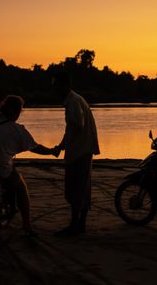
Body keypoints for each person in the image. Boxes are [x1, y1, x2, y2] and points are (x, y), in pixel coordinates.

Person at [0, 95, 58, 236]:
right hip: (0, 167)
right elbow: (36, 148)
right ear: (18, 111)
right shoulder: (18, 130)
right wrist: (51, 151)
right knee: (21, 189)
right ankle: (27, 225)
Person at [52, 72, 100, 236]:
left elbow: (77, 125)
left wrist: (62, 145)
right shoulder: (76, 100)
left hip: (79, 151)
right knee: (82, 188)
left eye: (56, 85)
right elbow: (72, 128)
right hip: (82, 149)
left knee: (75, 189)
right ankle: (80, 225)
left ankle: (75, 226)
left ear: (64, 85)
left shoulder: (72, 101)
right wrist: (61, 146)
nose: (54, 90)